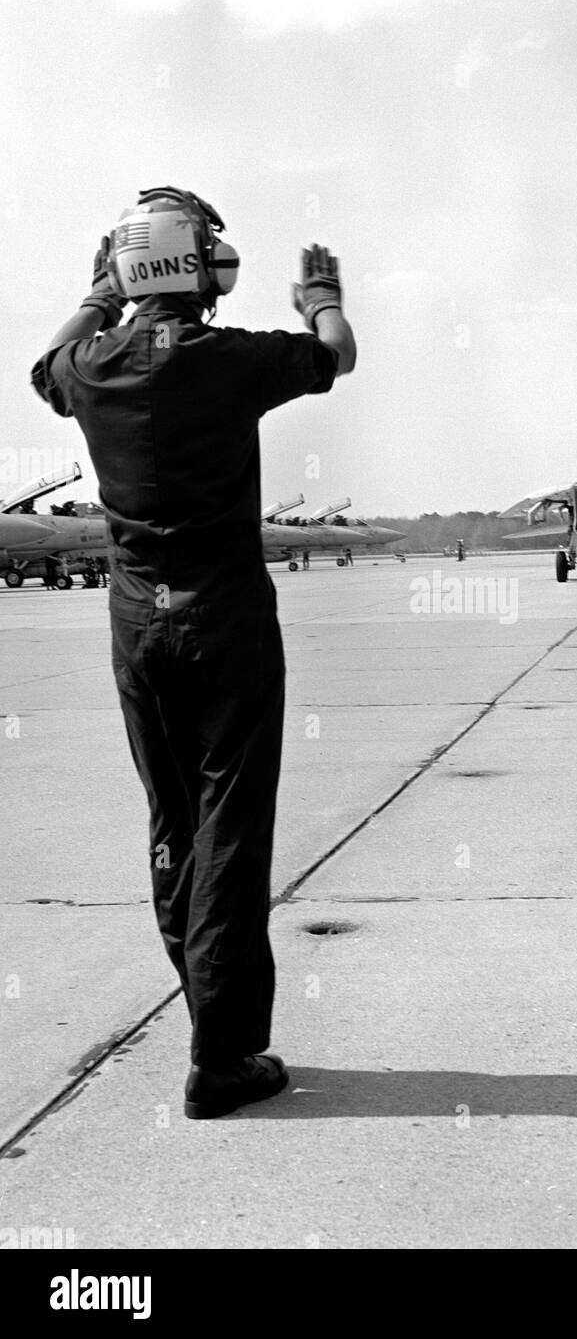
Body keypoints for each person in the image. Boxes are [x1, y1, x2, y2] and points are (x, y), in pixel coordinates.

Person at [31, 187, 356, 1119]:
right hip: (226, 621)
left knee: (173, 822)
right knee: (231, 829)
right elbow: (336, 355)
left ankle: (208, 1014)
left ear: (128, 268)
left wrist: (101, 294)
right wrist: (321, 295)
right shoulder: (226, 358)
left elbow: (45, 365)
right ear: (202, 268)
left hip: (138, 626)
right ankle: (222, 1057)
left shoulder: (90, 365)